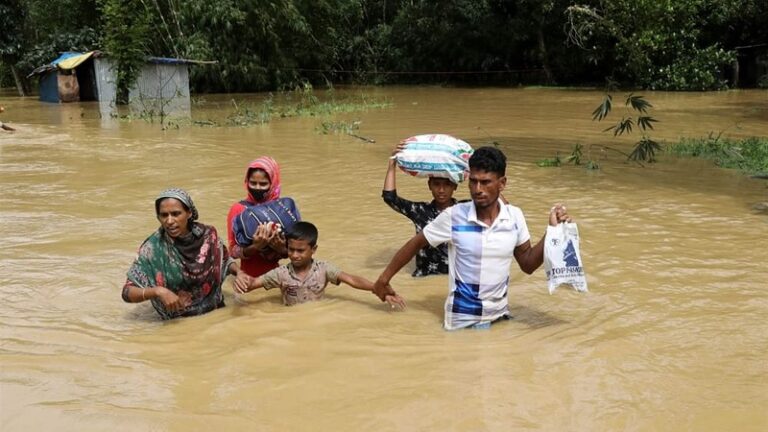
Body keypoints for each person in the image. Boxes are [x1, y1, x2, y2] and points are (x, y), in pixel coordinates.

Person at [373, 146, 571, 330]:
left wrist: (551, 231)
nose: (478, 189)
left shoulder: (514, 216)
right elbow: (415, 244)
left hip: (500, 318)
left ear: (502, 184)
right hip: (462, 323)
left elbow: (527, 264)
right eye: (473, 181)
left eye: (485, 182)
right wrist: (383, 280)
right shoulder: (454, 216)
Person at [122, 188, 246, 320]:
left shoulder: (208, 236)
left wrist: (239, 272)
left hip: (216, 315)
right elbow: (127, 292)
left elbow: (225, 261)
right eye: (164, 215)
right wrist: (158, 291)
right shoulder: (152, 248)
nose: (169, 221)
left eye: (176, 214)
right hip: (176, 325)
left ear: (189, 213)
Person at [235, 221, 405, 309]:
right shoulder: (280, 273)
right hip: (291, 319)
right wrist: (240, 279)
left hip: (318, 315)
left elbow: (351, 280)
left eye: (300, 251)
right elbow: (253, 285)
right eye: (291, 249)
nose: (294, 255)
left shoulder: (323, 269)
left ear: (313, 249)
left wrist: (377, 289)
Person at [382, 143, 461, 277]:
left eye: (447, 185)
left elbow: (497, 204)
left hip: (455, 279)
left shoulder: (464, 209)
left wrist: (472, 168)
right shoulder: (420, 210)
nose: (441, 190)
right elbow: (390, 198)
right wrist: (392, 163)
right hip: (424, 276)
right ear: (429, 185)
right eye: (436, 184)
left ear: (455, 186)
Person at [226, 156, 288, 282]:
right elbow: (232, 251)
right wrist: (255, 247)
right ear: (246, 182)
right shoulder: (238, 209)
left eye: (263, 184)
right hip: (248, 279)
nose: (257, 188)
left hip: (277, 279)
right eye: (253, 183)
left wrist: (281, 248)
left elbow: (297, 251)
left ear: (273, 183)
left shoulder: (283, 209)